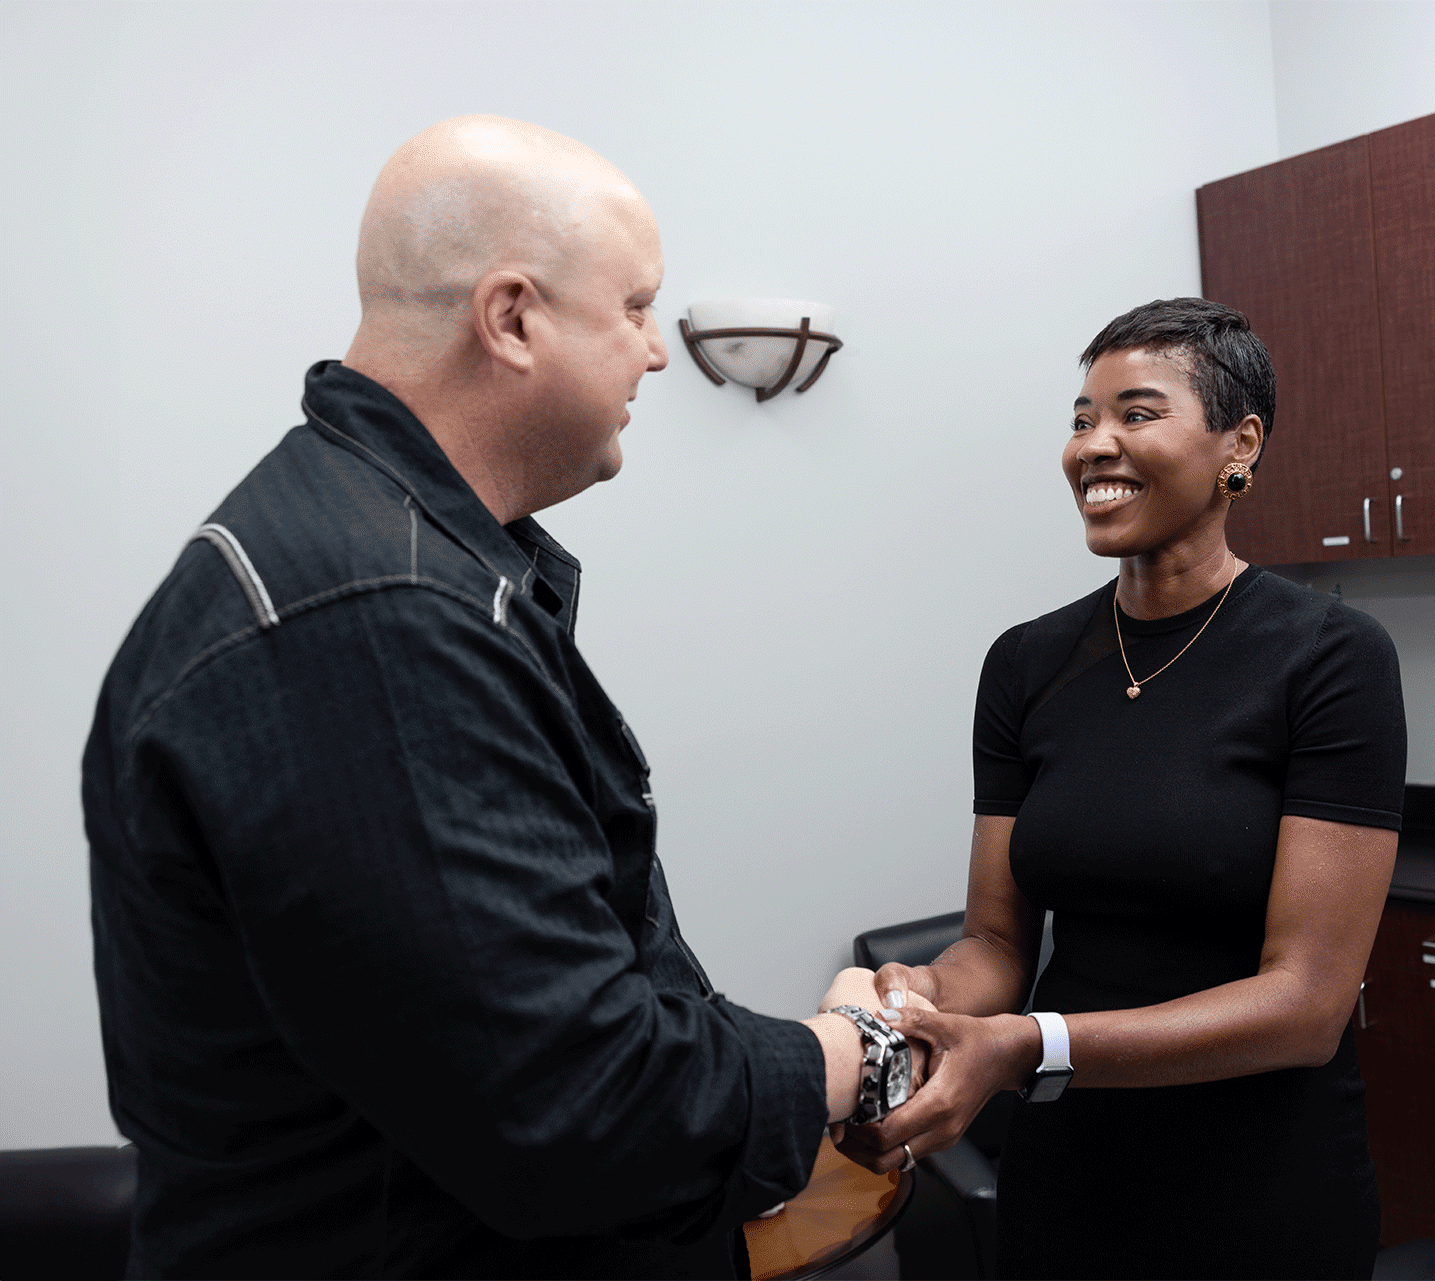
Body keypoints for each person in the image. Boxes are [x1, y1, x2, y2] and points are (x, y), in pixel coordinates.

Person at [82, 116, 915, 1280]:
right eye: (634, 308)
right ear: (512, 319)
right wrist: (861, 1051)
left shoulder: (408, 562)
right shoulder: (377, 620)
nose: (658, 352)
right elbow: (586, 1112)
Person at [839, 298, 1407, 1279]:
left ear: (1241, 443)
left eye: (1136, 414)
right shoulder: (1025, 664)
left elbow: (1307, 1004)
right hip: (1072, 1173)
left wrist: (1025, 1047)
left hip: (1259, 1185)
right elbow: (996, 946)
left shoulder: (1327, 656)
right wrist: (914, 997)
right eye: (1080, 419)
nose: (1093, 446)